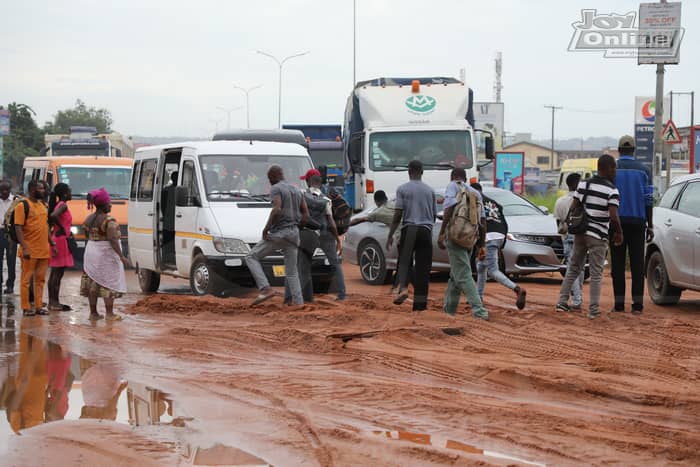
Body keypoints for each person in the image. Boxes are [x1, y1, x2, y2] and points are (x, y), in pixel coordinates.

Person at [557, 155, 623, 320]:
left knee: (573, 267)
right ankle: (593, 310)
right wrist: (619, 232)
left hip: (580, 233)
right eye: (613, 168)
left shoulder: (584, 184)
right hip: (598, 235)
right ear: (606, 168)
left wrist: (569, 222)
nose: (615, 171)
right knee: (596, 273)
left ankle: (561, 302)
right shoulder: (612, 190)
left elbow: (574, 206)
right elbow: (614, 216)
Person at [246, 165, 309, 306]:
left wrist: (266, 229)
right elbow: (306, 215)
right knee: (292, 272)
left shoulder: (276, 189)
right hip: (294, 234)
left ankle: (265, 288)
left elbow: (276, 209)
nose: (269, 182)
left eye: (269, 179)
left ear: (274, 176)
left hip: (281, 233)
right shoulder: (297, 190)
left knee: (251, 257)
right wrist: (297, 227)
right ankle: (299, 303)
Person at [610, 135, 654, 314]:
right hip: (638, 223)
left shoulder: (612, 169)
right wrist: (650, 224)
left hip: (616, 224)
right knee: (637, 265)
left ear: (619, 150)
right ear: (634, 150)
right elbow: (649, 199)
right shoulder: (644, 170)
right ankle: (637, 305)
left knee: (618, 265)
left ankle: (619, 305)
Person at [437, 169, 488, 319]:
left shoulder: (452, 186)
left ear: (453, 177)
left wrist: (441, 233)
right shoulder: (475, 193)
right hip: (470, 238)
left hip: (455, 236)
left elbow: (448, 209)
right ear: (465, 179)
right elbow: (483, 221)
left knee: (464, 274)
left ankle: (479, 311)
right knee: (455, 276)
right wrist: (481, 244)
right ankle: (449, 310)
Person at [387, 160, 436, 311]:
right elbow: (433, 216)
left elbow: (398, 213)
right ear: (422, 172)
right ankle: (420, 306)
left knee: (404, 263)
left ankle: (403, 289)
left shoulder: (402, 189)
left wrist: (391, 233)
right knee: (423, 270)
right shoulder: (430, 191)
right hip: (426, 231)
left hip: (409, 228)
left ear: (409, 172)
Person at [472, 182, 527, 309]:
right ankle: (478, 298)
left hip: (488, 237)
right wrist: (501, 244)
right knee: (480, 266)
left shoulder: (475, 202)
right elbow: (504, 223)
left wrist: (479, 243)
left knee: (493, 271)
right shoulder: (494, 202)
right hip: (500, 235)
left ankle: (517, 289)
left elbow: (479, 223)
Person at [80, 188, 129, 321]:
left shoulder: (89, 219)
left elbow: (86, 235)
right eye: (109, 203)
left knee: (92, 282)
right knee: (108, 282)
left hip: (91, 253)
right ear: (104, 205)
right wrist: (121, 256)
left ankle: (93, 313)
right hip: (105, 255)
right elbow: (113, 240)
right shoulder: (109, 221)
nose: (111, 205)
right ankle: (109, 314)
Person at [302, 170, 345, 300]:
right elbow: (331, 220)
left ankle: (306, 295)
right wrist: (337, 239)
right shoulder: (326, 200)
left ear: (308, 181)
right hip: (326, 234)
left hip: (310, 234)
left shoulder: (303, 196)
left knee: (305, 264)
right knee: (335, 264)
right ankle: (342, 294)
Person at [14, 179, 53, 316]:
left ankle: (38, 306)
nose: (44, 191)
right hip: (29, 250)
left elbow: (45, 225)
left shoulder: (43, 205)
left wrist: (51, 242)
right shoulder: (23, 205)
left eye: (44, 188)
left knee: (40, 280)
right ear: (32, 190)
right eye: (41, 188)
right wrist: (24, 248)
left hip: (43, 250)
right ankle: (26, 307)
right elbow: (18, 227)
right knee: (26, 280)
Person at [553, 173, 584, 311]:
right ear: (577, 184)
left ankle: (577, 299)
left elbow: (559, 224)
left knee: (572, 269)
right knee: (581, 268)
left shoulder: (560, 201)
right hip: (582, 237)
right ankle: (578, 297)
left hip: (568, 238)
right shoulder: (584, 200)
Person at [47, 183, 74, 312]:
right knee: (57, 274)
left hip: (58, 239)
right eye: (69, 191)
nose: (71, 193)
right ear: (64, 194)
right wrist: (62, 228)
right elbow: (53, 216)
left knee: (54, 273)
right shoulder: (62, 205)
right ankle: (54, 302)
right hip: (60, 241)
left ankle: (52, 301)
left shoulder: (59, 204)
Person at [0, 181, 17, 295]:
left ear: (10, 189)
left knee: (11, 261)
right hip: (0, 232)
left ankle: (10, 285)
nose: (4, 192)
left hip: (11, 234)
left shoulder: (16, 202)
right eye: (1, 190)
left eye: (6, 189)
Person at [161, 171, 178, 264]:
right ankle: (168, 258)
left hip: (169, 220)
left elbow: (162, 205)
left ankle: (167, 258)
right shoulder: (168, 190)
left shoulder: (166, 190)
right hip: (171, 219)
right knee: (170, 240)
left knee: (168, 239)